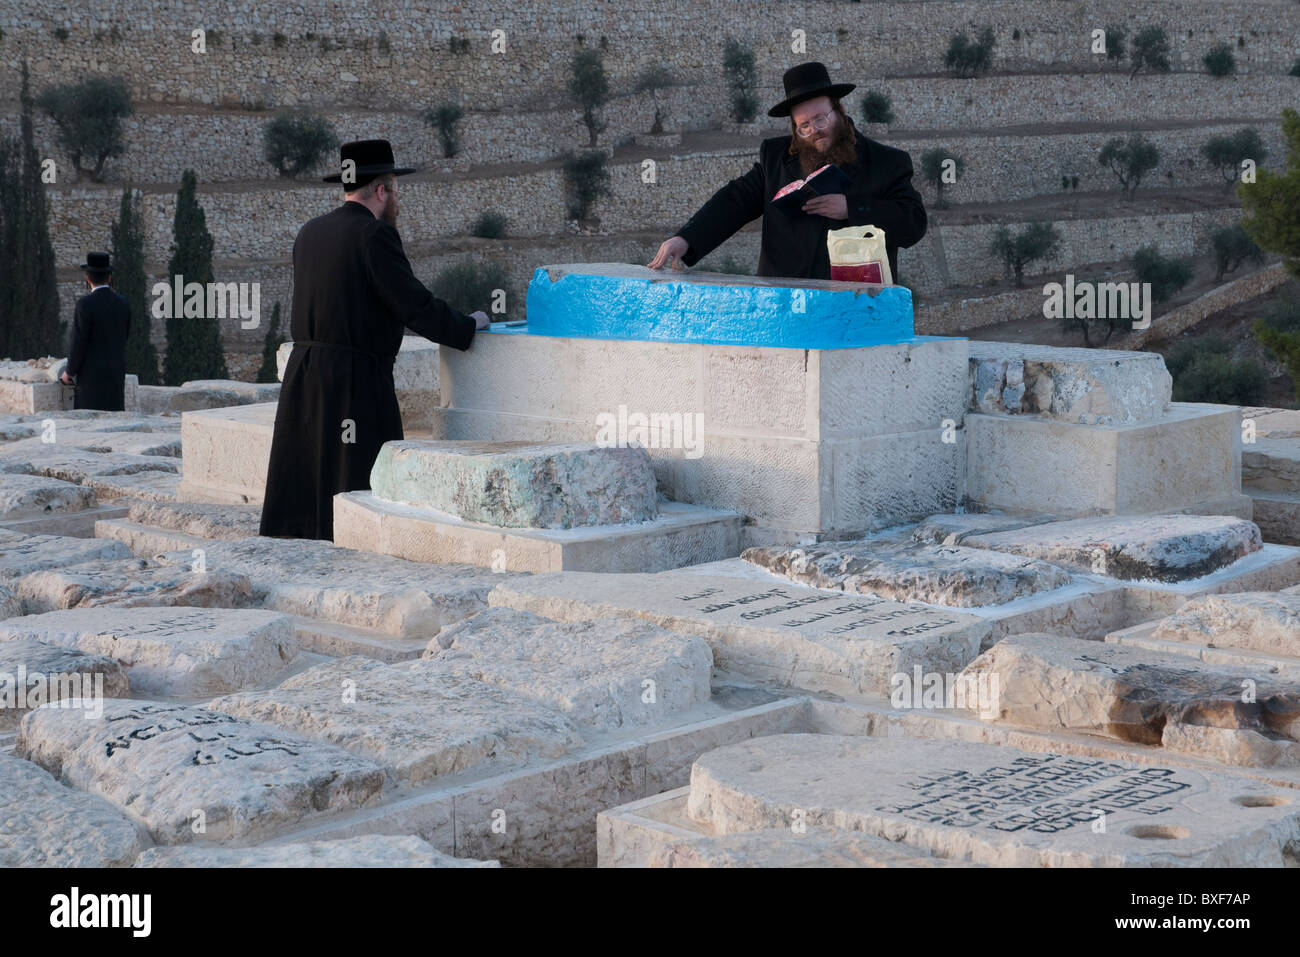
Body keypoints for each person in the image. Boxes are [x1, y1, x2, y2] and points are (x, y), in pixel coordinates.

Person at [259, 139, 490, 540]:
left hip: (305, 377)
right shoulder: (374, 235)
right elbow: (414, 304)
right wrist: (467, 327)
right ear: (381, 190)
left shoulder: (310, 232)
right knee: (355, 482)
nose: (398, 201)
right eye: (395, 190)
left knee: (309, 476)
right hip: (354, 381)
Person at [648, 61, 927, 281]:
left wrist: (852, 209)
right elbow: (734, 201)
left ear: (839, 111)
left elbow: (913, 224)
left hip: (853, 308)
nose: (814, 130)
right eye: (804, 125)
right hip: (783, 308)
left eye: (821, 118)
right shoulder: (775, 158)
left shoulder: (886, 162)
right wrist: (685, 238)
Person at [61, 251, 131, 411]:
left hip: (90, 379)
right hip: (116, 374)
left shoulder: (85, 305)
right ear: (110, 277)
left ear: (87, 278)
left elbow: (78, 343)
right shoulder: (123, 303)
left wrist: (69, 373)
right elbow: (124, 336)